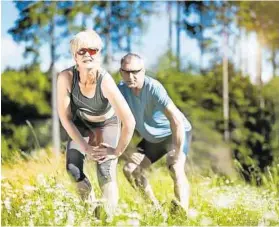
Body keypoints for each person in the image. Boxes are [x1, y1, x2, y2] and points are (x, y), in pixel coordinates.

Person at [57, 30, 135, 217]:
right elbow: (65, 117)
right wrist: (84, 147)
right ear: (74, 56)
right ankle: (91, 210)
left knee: (105, 170)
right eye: (81, 51)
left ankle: (108, 215)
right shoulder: (66, 78)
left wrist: (116, 152)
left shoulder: (105, 81)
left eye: (92, 50)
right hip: (81, 124)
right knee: (73, 169)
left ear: (99, 54)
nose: (87, 55)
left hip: (106, 124)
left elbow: (129, 121)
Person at [117, 53, 192, 213]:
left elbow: (176, 121)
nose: (131, 76)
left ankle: (182, 211)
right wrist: (126, 150)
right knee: (130, 169)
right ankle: (156, 210)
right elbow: (113, 124)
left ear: (143, 71)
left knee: (176, 168)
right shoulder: (120, 91)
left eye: (135, 72)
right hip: (152, 137)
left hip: (174, 133)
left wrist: (177, 152)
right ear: (121, 72)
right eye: (127, 72)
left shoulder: (153, 88)